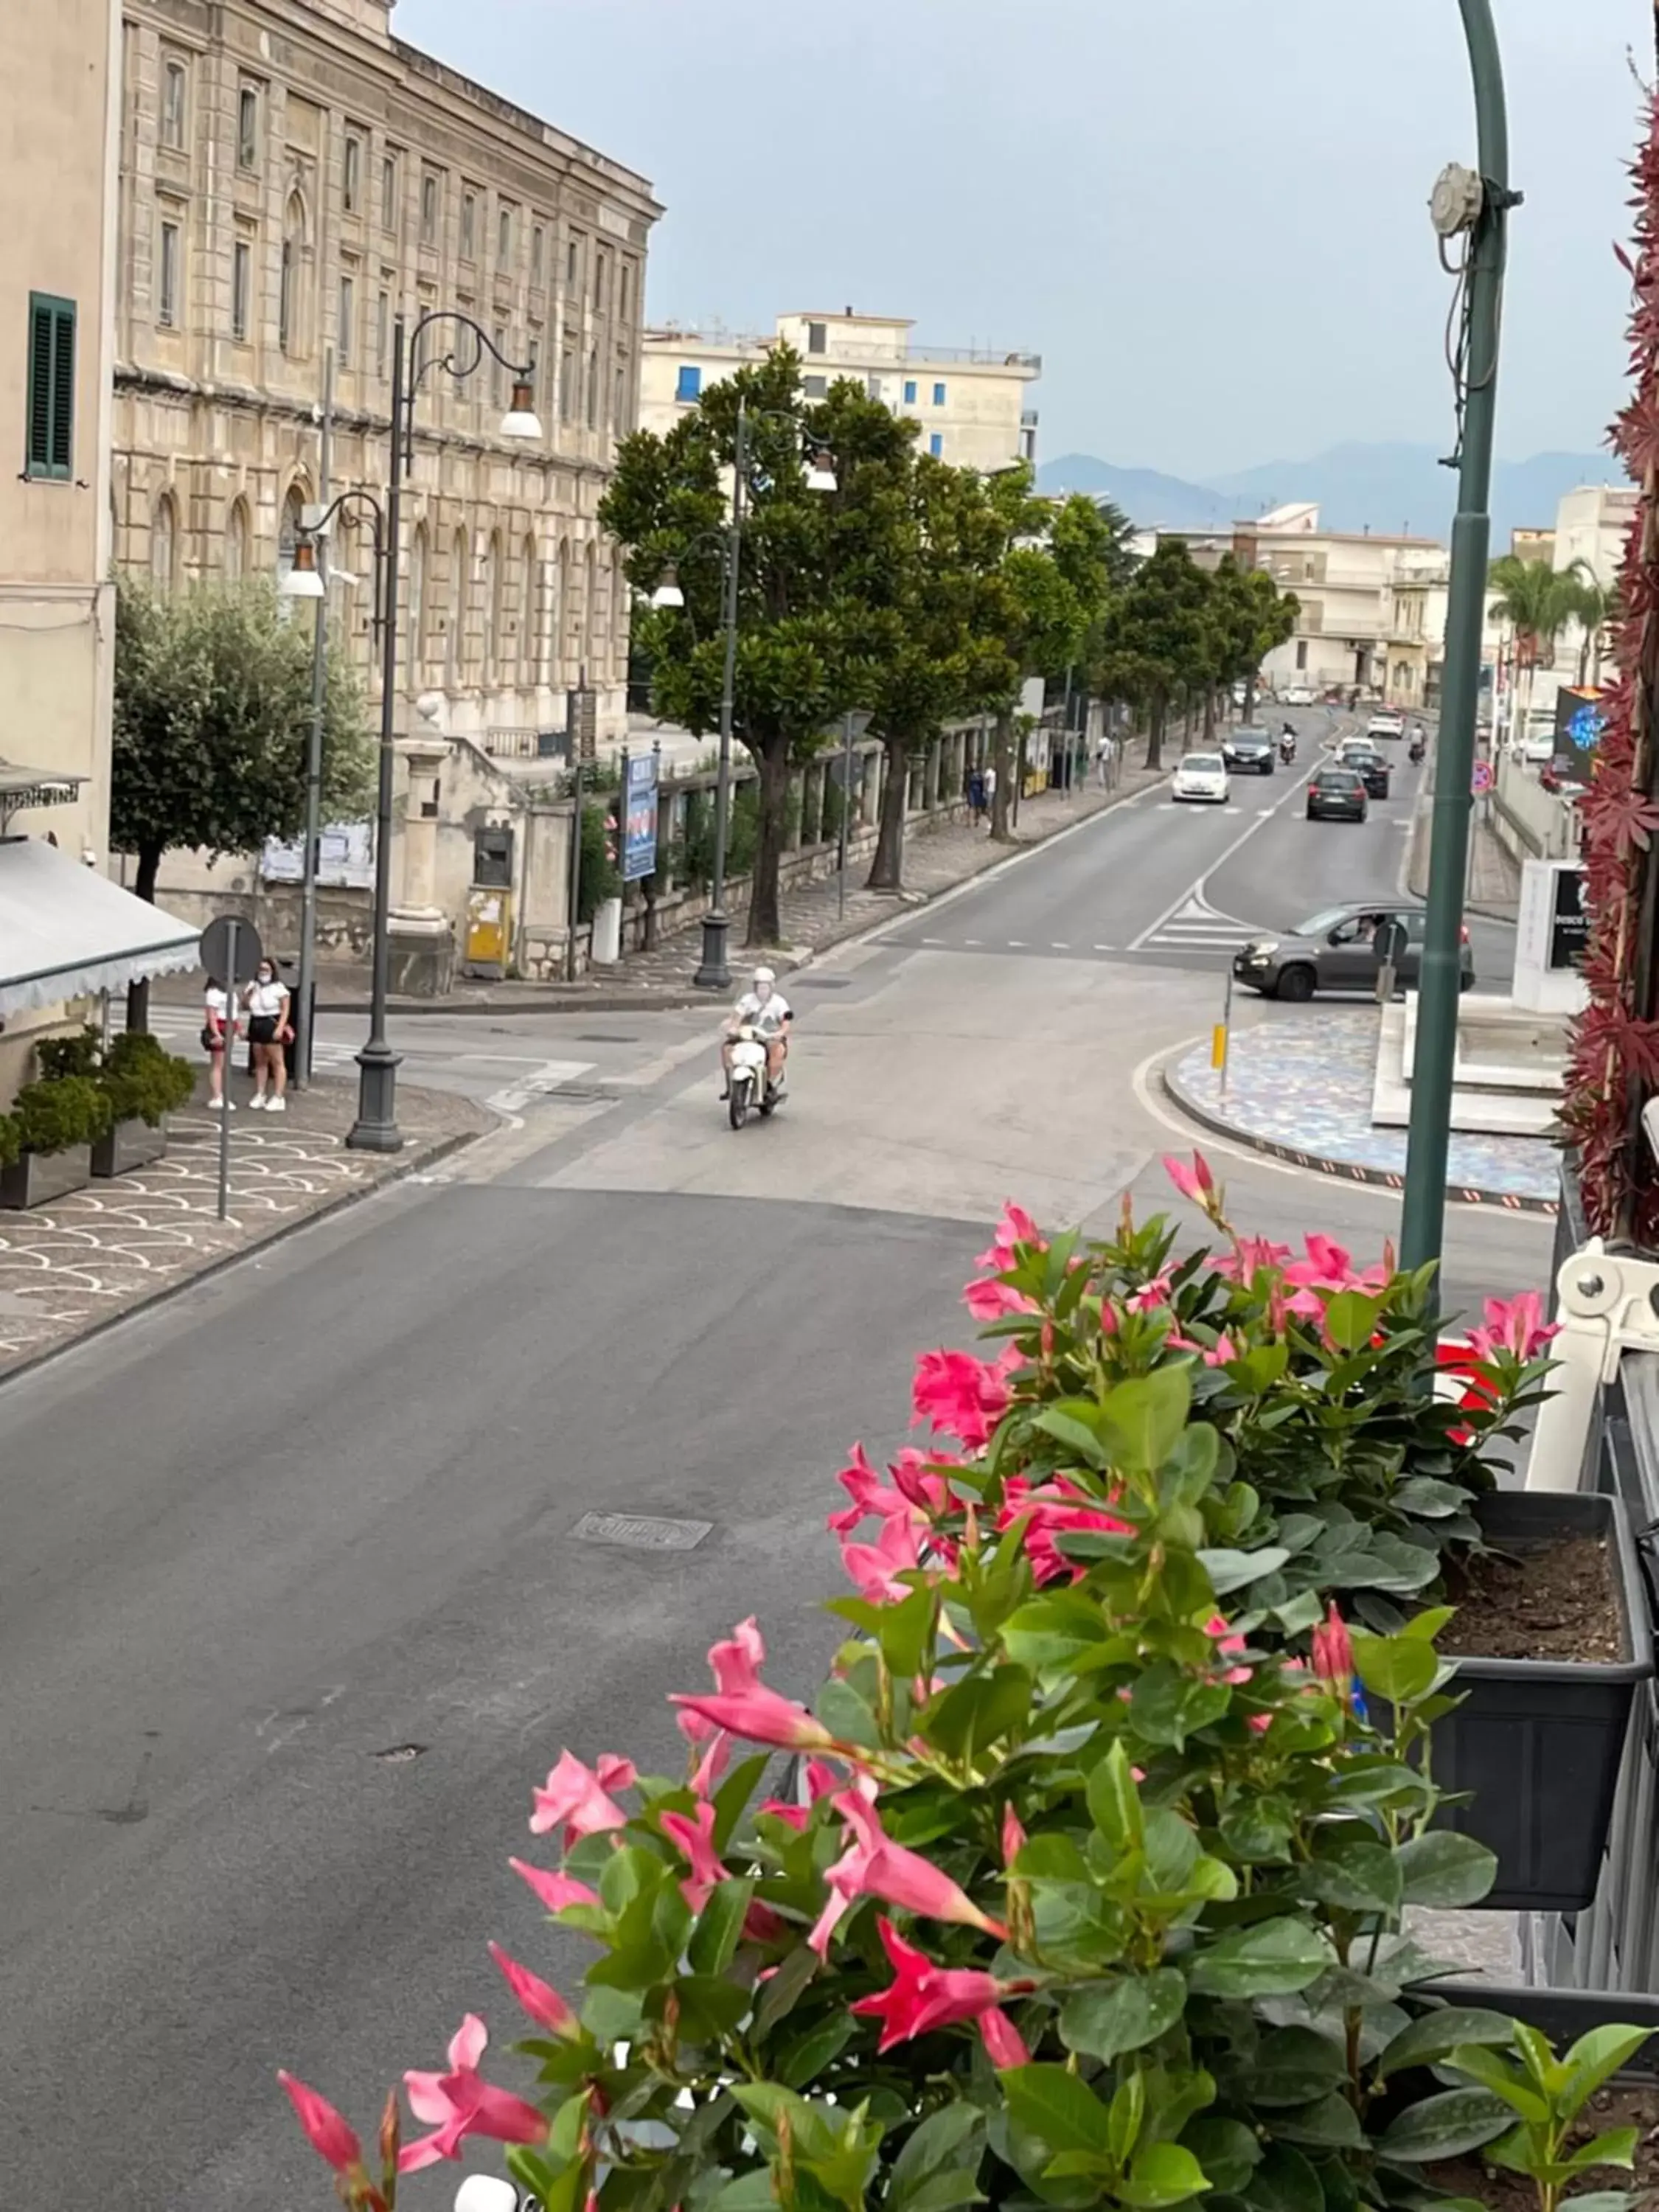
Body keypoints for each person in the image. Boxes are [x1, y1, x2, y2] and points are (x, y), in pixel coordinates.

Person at [721, 965, 792, 1096]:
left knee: (777, 1051)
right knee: (727, 1049)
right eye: (759, 985)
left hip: (769, 1037)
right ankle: (730, 1085)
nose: (762, 989)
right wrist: (733, 1028)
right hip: (747, 1036)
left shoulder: (780, 1002)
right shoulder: (747, 1000)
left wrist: (781, 1032)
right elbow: (737, 1015)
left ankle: (770, 1084)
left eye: (766, 986)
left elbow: (786, 1019)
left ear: (772, 986)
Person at [242, 957, 292, 1111]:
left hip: (271, 1022)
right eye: (260, 970)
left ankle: (278, 1096)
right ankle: (260, 1093)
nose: (263, 973)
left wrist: (280, 1028)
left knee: (277, 1061)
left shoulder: (278, 988)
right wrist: (248, 995)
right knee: (260, 1061)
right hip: (256, 1021)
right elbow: (245, 1006)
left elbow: (285, 1009)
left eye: (266, 970)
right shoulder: (253, 985)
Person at [202, 974, 237, 1109]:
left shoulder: (230, 991)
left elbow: (233, 1012)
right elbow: (211, 1015)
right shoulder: (213, 993)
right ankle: (216, 1095)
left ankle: (221, 1095)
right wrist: (217, 1034)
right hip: (220, 1027)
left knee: (224, 1063)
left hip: (229, 1026)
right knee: (218, 1063)